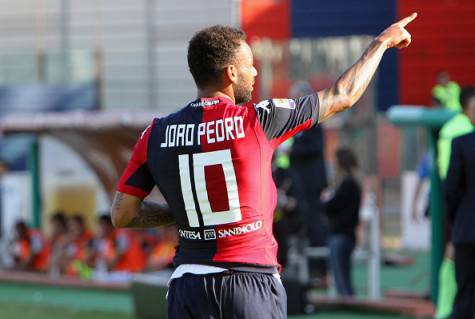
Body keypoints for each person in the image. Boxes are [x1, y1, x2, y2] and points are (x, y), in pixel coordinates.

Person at [111, 13, 417, 318]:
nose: (255, 73)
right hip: (248, 282)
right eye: (249, 65)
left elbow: (122, 215)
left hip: (187, 286)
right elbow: (344, 94)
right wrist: (381, 43)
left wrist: (183, 212)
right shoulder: (259, 120)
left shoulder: (155, 134)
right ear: (231, 73)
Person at [435, 87, 475, 319]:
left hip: (466, 231)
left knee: (464, 295)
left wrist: (455, 220)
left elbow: (451, 189)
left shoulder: (460, 143)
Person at [321, 148, 361, 296]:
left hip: (341, 235)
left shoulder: (347, 185)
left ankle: (349, 305)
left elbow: (331, 206)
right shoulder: (349, 184)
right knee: (341, 277)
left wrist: (325, 201)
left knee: (342, 280)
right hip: (344, 235)